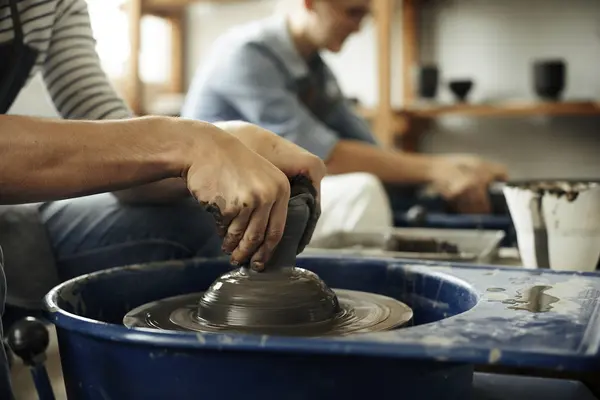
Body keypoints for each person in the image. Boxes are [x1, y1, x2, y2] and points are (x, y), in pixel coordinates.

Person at [0, 0, 325, 397]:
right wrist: (183, 142)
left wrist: (226, 140)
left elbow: (126, 172)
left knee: (194, 221)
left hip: (13, 218)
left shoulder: (56, 5)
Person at [181, 0, 509, 239]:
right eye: (352, 11)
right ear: (310, 3)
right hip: (210, 204)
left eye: (364, 15)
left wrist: (452, 168)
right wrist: (436, 168)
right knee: (362, 191)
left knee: (404, 191)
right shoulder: (246, 55)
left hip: (272, 193)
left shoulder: (315, 69)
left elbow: (367, 147)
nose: (358, 25)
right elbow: (326, 157)